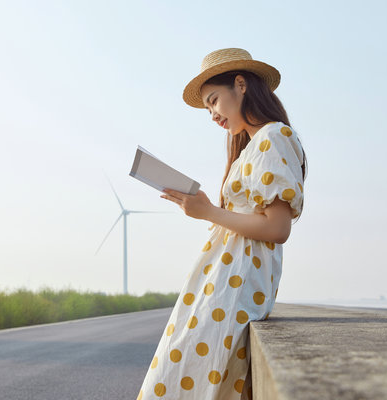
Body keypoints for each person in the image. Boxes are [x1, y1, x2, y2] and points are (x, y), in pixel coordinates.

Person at [135, 48, 307, 400]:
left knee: (184, 377)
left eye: (213, 100)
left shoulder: (275, 137)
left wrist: (208, 212)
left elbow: (278, 228)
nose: (212, 114)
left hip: (237, 282)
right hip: (223, 278)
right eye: (208, 108)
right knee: (185, 375)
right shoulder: (252, 145)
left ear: (240, 85)